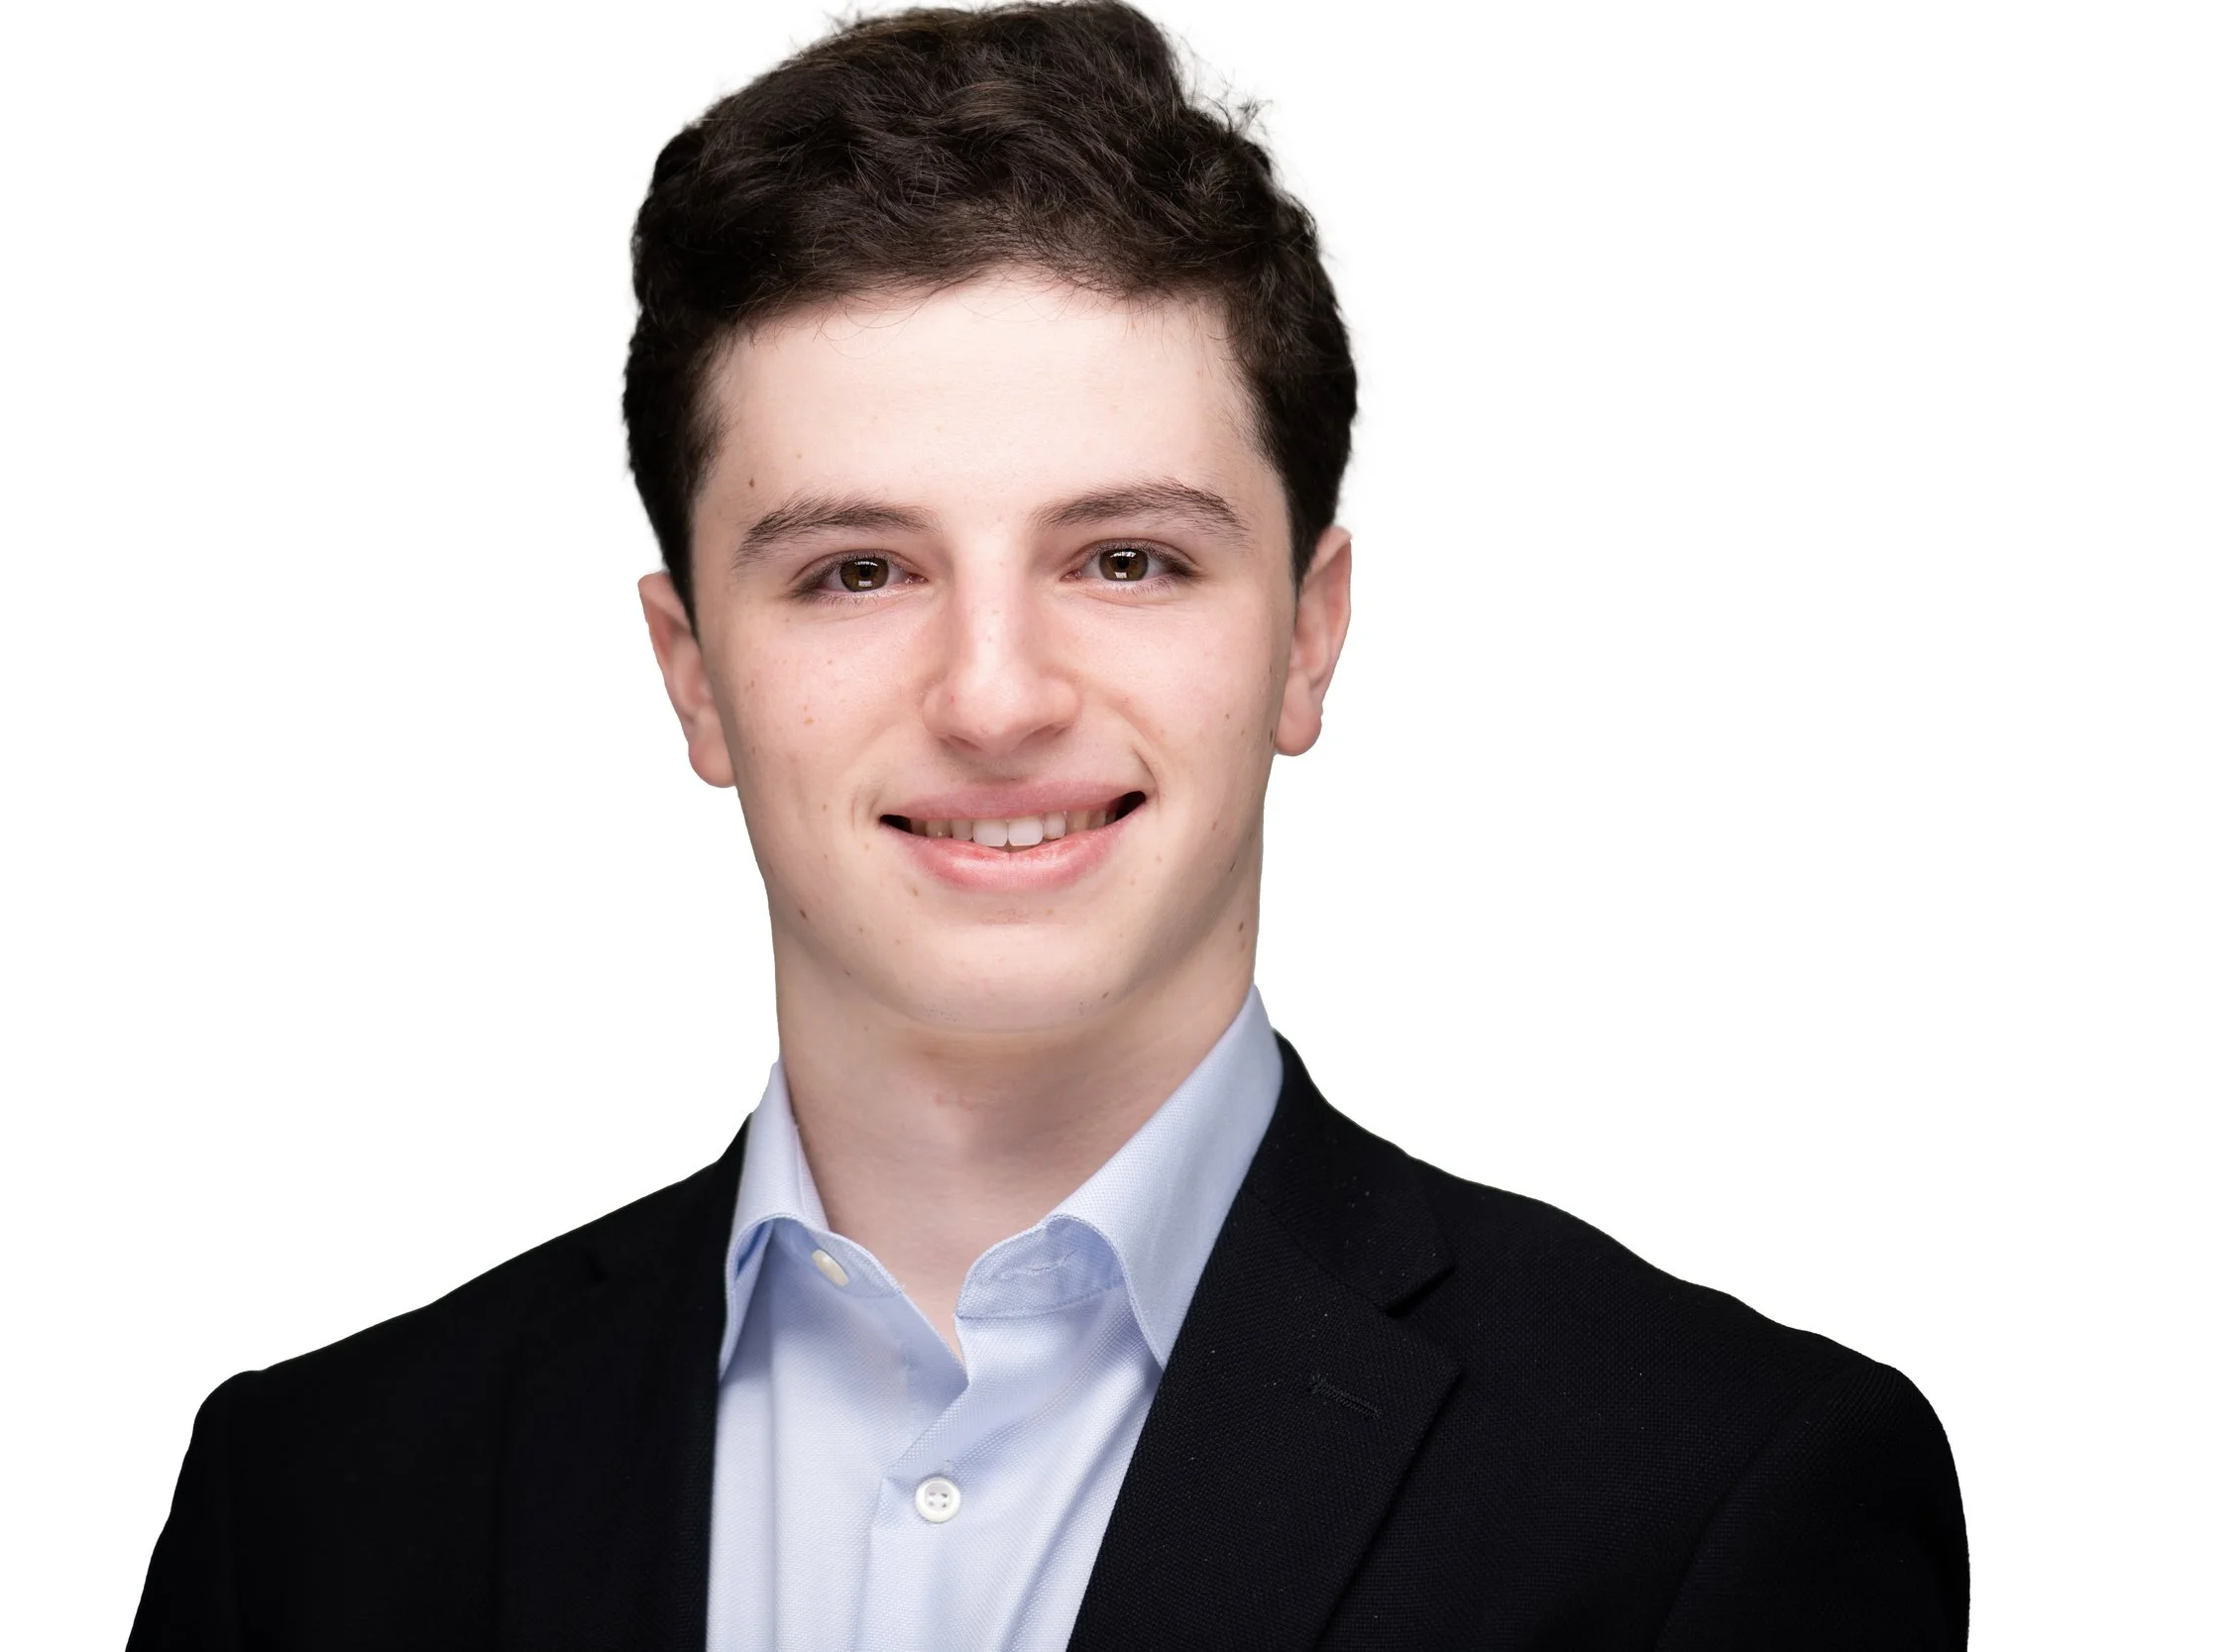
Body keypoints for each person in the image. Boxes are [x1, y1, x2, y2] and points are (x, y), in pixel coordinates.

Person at [129, 3, 1967, 1646]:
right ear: (692, 675)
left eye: (1126, 558)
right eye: (858, 570)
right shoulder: (308, 1510)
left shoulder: (1712, 1497)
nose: (995, 695)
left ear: (1307, 636)